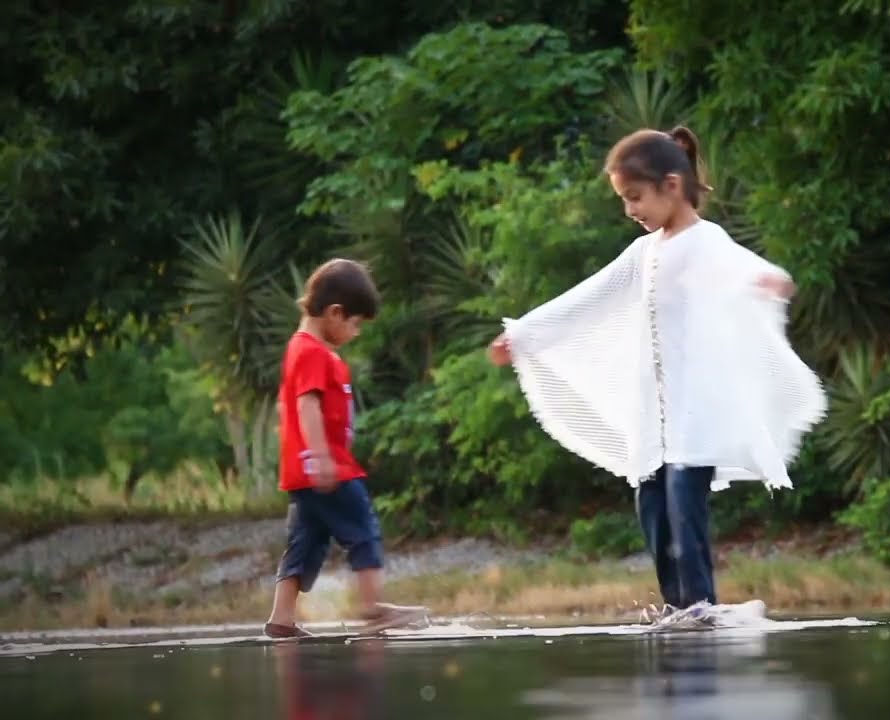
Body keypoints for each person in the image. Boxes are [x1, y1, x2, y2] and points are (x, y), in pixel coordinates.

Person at [487, 127, 826, 618]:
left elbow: (738, 267)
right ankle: (678, 610)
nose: (630, 210)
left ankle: (703, 607)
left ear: (672, 185)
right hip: (654, 422)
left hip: (697, 417)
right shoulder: (642, 253)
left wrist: (765, 280)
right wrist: (524, 335)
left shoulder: (706, 241)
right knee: (653, 512)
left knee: (685, 512)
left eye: (636, 197)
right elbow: (590, 296)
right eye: (624, 199)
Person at [264, 258, 422, 639]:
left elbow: (286, 406)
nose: (356, 332)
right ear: (334, 312)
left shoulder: (300, 350)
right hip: (328, 468)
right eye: (355, 323)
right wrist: (320, 457)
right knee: (363, 529)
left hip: (304, 472)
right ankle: (372, 608)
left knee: (305, 542)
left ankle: (281, 619)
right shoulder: (312, 353)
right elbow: (305, 404)